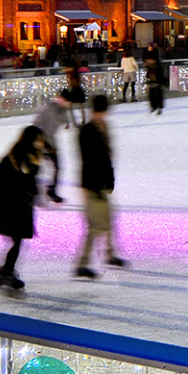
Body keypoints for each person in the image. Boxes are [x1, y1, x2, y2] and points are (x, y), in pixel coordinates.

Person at [0, 127, 44, 291]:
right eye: (39, 140)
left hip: (22, 209)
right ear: (31, 141)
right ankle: (6, 272)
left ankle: (7, 272)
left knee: (18, 241)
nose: (41, 143)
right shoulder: (10, 161)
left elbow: (29, 182)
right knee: (17, 240)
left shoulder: (32, 160)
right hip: (9, 209)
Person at [73, 95, 126, 277]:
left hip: (102, 183)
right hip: (91, 185)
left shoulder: (103, 127)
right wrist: (96, 188)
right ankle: (82, 263)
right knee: (95, 225)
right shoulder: (86, 131)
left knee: (109, 220)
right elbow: (88, 160)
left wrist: (110, 181)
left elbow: (107, 157)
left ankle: (110, 254)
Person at [30, 96, 72, 203]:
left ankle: (50, 190)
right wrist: (38, 140)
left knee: (54, 166)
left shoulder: (62, 110)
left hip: (50, 143)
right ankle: (33, 192)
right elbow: (36, 124)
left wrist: (67, 123)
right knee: (38, 167)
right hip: (41, 142)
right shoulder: (48, 109)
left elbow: (65, 119)